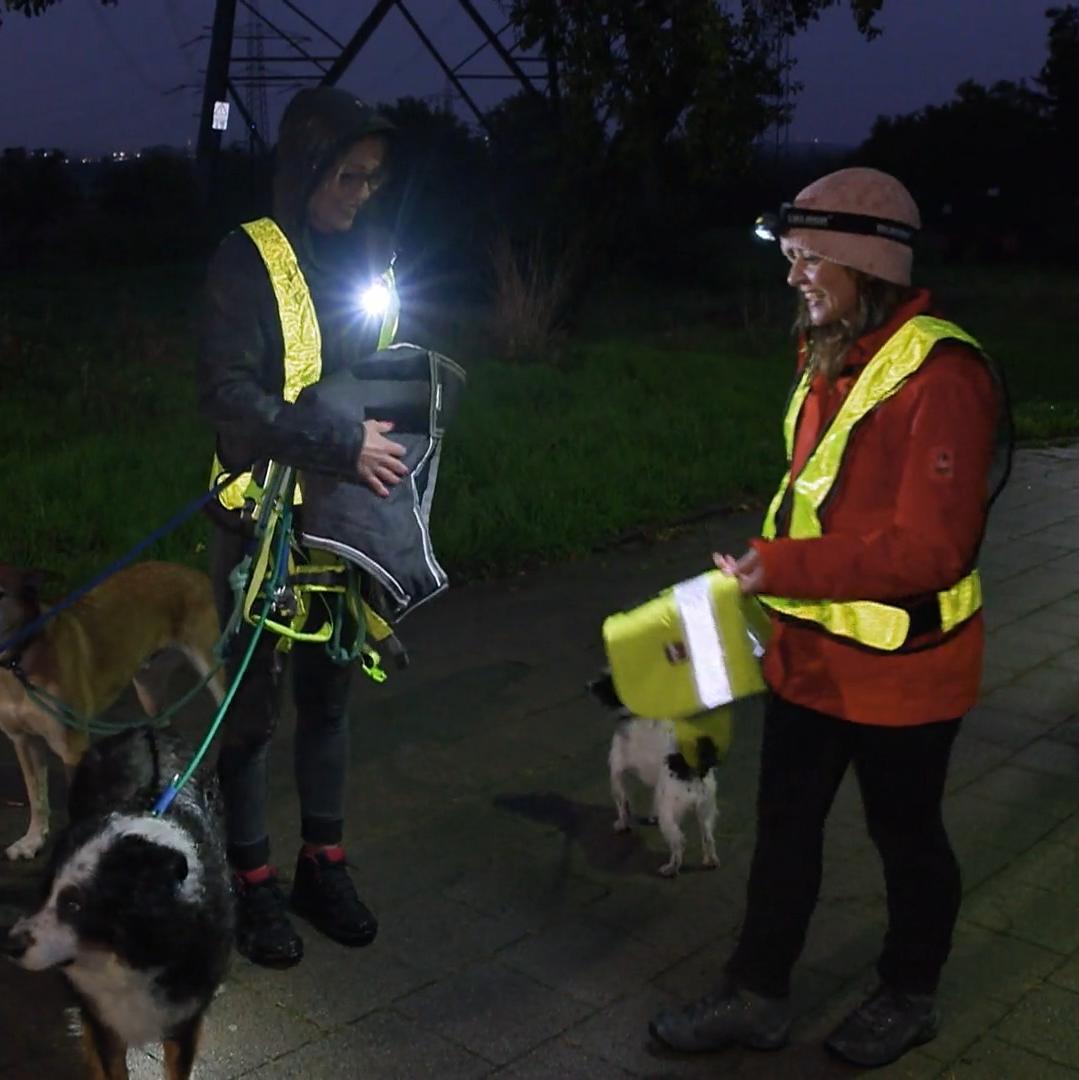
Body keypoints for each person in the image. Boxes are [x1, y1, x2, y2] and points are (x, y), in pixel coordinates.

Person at [649, 167, 1011, 1067]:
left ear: (864, 265)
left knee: (906, 838)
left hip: (907, 671)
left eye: (807, 259)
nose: (791, 276)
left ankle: (910, 992)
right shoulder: (828, 349)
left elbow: (933, 553)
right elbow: (819, 496)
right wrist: (761, 578)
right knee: (783, 834)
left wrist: (782, 566)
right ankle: (756, 995)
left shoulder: (944, 375)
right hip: (810, 655)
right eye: (789, 256)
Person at [197, 87, 409, 968]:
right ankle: (250, 886)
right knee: (248, 718)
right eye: (347, 177)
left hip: (344, 523)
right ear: (306, 170)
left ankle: (323, 864)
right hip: (258, 531)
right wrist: (341, 437)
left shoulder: (368, 256)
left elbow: (385, 363)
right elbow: (228, 397)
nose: (359, 195)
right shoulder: (246, 259)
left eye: (371, 181)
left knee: (330, 698)